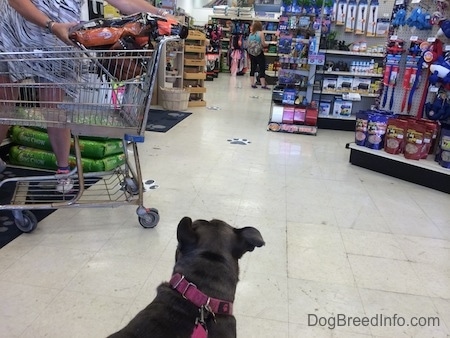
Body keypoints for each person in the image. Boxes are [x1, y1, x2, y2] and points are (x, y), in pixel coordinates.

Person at [0, 0, 174, 192]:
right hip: (11, 33)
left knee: (54, 110)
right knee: (5, 108)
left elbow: (125, 1)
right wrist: (51, 25)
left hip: (59, 39)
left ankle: (63, 170)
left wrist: (161, 14)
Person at [248, 21, 270, 90]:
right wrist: (268, 45)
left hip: (251, 53)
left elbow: (248, 44)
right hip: (259, 53)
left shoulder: (251, 34)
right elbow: (263, 44)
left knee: (253, 68)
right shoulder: (261, 33)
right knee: (262, 68)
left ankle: (252, 84)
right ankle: (263, 84)